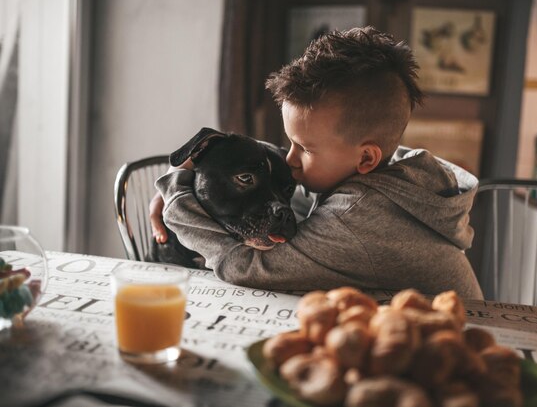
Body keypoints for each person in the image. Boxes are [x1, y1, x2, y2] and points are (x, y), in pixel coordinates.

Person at [151, 26, 483, 299]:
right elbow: (285, 179)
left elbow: (244, 267)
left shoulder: (356, 215)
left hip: (452, 355)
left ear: (366, 157)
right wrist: (196, 166)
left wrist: (176, 193)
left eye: (304, 148)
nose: (290, 159)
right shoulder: (395, 174)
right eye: (290, 142)